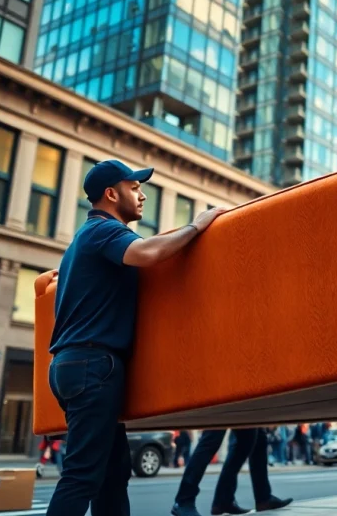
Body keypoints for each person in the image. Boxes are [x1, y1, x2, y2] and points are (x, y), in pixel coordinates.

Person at [47, 159, 225, 516]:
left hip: (77, 365)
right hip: (93, 367)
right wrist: (197, 225)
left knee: (113, 476)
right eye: (135, 188)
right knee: (82, 476)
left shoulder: (84, 240)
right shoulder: (102, 231)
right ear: (111, 194)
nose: (142, 196)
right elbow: (150, 253)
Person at [171, 428, 292, 516]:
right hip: (219, 396)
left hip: (237, 397)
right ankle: (183, 500)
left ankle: (227, 499)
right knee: (212, 438)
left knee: (255, 437)